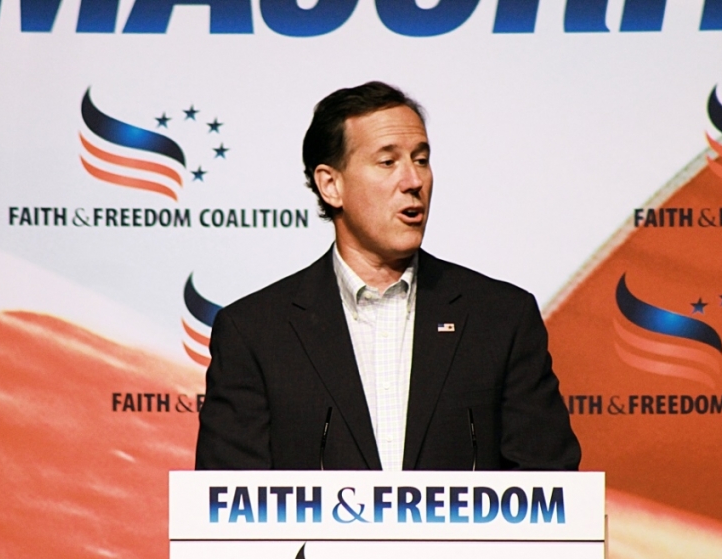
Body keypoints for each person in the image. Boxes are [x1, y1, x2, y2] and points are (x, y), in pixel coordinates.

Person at [195, 81, 580, 471]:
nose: (413, 181)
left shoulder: (499, 319)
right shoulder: (255, 333)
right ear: (331, 185)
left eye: (421, 159)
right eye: (388, 162)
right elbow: (227, 505)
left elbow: (551, 487)